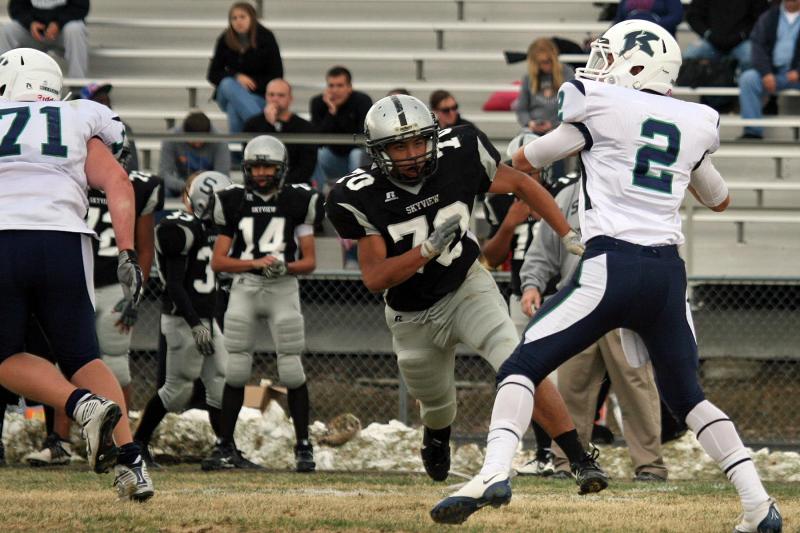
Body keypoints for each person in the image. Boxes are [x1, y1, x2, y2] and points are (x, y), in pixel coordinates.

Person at [430, 21, 783, 533]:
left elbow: (525, 160)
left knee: (522, 364)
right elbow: (719, 198)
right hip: (667, 275)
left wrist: (533, 148)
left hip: (612, 264)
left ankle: (492, 472)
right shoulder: (692, 120)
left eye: (609, 57)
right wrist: (677, 163)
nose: (599, 67)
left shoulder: (599, 109)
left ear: (639, 66)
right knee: (688, 398)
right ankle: (757, 504)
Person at [326, 95, 607, 494]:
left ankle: (579, 458)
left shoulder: (460, 151)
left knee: (519, 363)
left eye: (419, 141)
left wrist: (566, 232)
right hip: (412, 313)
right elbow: (374, 278)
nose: (412, 154)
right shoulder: (358, 195)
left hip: (467, 286)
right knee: (436, 401)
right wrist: (426, 251)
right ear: (378, 152)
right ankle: (437, 435)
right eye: (399, 146)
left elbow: (522, 182)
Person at [0, 48, 153, 500]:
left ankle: (80, 405)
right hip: (66, 240)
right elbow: (119, 181)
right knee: (84, 358)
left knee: (4, 357)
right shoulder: (78, 116)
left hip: (4, 235)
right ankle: (132, 463)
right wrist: (126, 251)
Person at [519, 174, 669, 483]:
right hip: (578, 302)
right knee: (571, 387)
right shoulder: (567, 195)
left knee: (635, 385)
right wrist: (532, 284)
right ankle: (566, 463)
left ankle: (650, 466)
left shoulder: (634, 187)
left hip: (624, 300)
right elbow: (543, 249)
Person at [23, 145, 164, 467]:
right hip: (75, 281)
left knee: (116, 365)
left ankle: (123, 444)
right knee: (65, 364)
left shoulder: (140, 186)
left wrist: (135, 293)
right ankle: (59, 442)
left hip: (113, 286)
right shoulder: (69, 177)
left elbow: (144, 247)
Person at [210, 135, 323, 472]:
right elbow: (218, 261)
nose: (260, 173)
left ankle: (303, 445)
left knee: (291, 368)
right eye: (255, 167)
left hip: (282, 287)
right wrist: (254, 263)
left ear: (281, 168)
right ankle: (225, 444)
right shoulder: (232, 200)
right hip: (246, 286)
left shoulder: (298, 200)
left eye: (267, 167)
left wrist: (285, 266)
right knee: (236, 369)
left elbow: (310, 261)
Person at [132, 171, 232, 468]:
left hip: (206, 318)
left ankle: (225, 449)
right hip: (183, 319)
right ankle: (138, 444)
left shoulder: (215, 230)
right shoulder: (180, 228)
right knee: (177, 391)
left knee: (220, 381)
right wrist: (195, 323)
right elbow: (175, 285)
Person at [207, 2, 283, 133]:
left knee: (234, 107)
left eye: (242, 17)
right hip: (227, 93)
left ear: (252, 18)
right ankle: (263, 130)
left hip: (258, 94)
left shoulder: (266, 38)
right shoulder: (224, 39)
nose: (238, 21)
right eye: (234, 18)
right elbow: (212, 74)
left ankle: (238, 146)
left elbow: (277, 76)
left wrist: (251, 84)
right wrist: (236, 77)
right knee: (227, 83)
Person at [738, 0, 800, 140]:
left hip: (797, 77)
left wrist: (798, 72)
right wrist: (766, 73)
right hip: (773, 74)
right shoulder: (769, 17)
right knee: (748, 79)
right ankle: (752, 132)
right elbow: (757, 46)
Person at [309, 66, 372, 191]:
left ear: (349, 87)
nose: (335, 90)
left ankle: (357, 194)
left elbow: (361, 138)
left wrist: (339, 114)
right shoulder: (318, 103)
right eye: (331, 86)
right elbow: (317, 139)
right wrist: (332, 112)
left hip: (358, 158)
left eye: (340, 85)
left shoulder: (362, 101)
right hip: (334, 159)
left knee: (356, 154)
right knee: (318, 153)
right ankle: (317, 196)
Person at [244, 78, 317, 185]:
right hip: (260, 184)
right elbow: (250, 159)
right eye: (271, 95)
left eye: (281, 95)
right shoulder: (252, 125)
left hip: (294, 185)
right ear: (265, 97)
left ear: (290, 99)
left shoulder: (305, 127)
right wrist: (269, 125)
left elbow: (306, 167)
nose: (275, 99)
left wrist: (282, 184)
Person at [0, 0, 89, 79]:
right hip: (33, 34)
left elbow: (81, 7)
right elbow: (16, 7)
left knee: (75, 29)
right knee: (6, 31)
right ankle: (3, 82)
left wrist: (58, 23)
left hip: (62, 33)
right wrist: (30, 23)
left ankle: (78, 87)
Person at [160, 111, 231, 197]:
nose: (197, 144)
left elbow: (222, 176)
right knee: (163, 191)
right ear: (184, 133)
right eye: (194, 140)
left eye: (201, 140)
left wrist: (202, 189)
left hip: (209, 188)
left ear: (209, 134)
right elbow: (164, 174)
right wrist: (185, 186)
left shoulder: (220, 141)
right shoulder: (171, 138)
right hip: (181, 186)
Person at [684, 0, 769, 73]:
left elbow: (762, 18)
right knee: (689, 56)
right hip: (711, 42)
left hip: (742, 42)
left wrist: (742, 35)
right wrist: (708, 34)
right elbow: (693, 15)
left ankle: (744, 85)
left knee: (751, 58)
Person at [515, 38, 575, 135]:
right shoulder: (528, 78)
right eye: (541, 62)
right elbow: (521, 109)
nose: (545, 66)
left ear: (554, 58)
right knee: (522, 139)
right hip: (533, 129)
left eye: (548, 61)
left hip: (560, 129)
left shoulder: (567, 73)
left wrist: (554, 124)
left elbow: (573, 108)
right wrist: (530, 123)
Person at [80, 82, 141, 172]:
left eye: (107, 100)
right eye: (100, 101)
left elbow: (132, 167)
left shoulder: (123, 128)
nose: (106, 105)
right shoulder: (79, 129)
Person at [613, 0, 684, 35]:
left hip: (659, 38)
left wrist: (650, 26)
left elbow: (676, 16)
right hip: (628, 37)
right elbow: (619, 20)